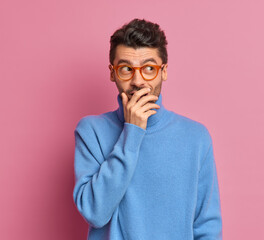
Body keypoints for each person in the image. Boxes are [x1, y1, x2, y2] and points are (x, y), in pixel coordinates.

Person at [72, 18, 223, 240]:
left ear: (164, 71)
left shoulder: (196, 137)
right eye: (126, 69)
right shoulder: (91, 131)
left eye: (149, 68)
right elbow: (95, 212)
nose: (138, 80)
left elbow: (207, 225)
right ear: (113, 73)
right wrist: (132, 132)